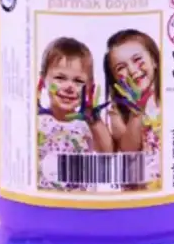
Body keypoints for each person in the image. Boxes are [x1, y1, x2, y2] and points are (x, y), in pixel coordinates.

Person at [36, 37, 112, 190]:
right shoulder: (37, 121)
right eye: (60, 78)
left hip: (82, 197)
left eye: (78, 81)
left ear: (90, 88)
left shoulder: (86, 124)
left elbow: (107, 152)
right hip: (45, 196)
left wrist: (94, 120)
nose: (69, 87)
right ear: (43, 81)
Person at [103, 29, 163, 191]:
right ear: (114, 79)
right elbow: (129, 150)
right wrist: (136, 113)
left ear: (154, 60)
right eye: (120, 68)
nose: (132, 70)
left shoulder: (168, 98)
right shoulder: (116, 111)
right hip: (140, 190)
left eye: (137, 59)